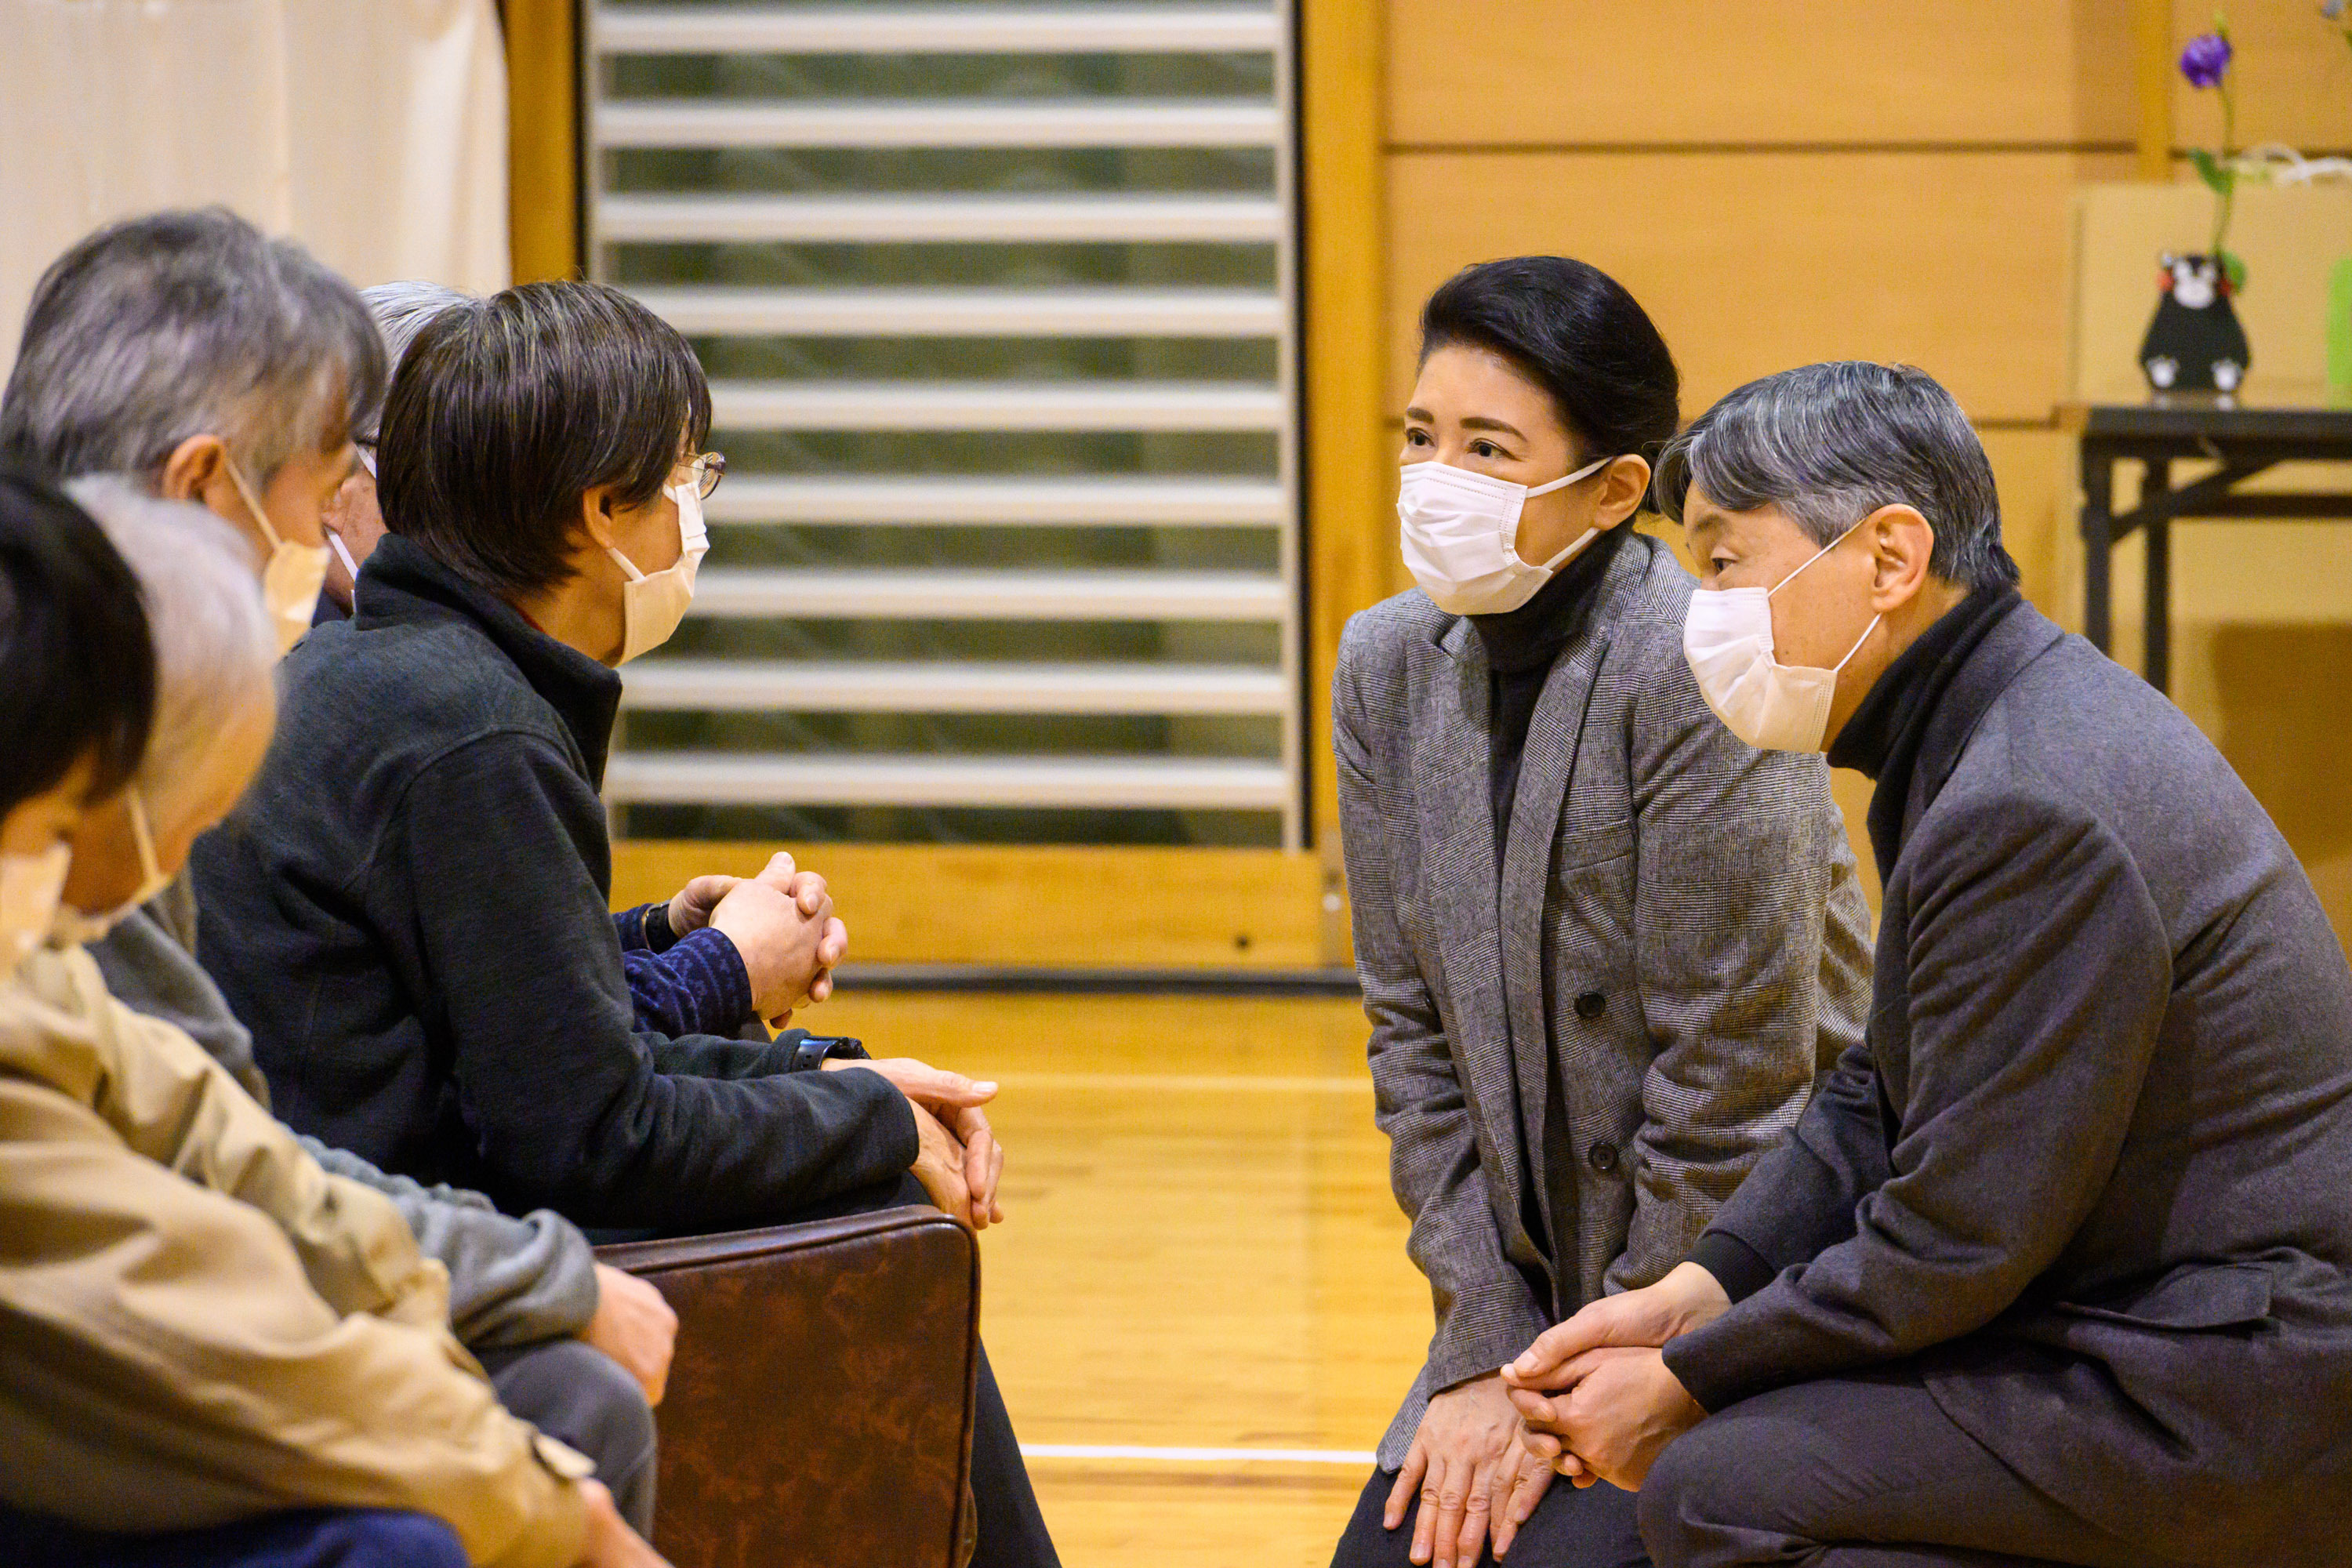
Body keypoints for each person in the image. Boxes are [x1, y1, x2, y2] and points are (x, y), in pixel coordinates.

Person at [193, 279, 1058, 1567]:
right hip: (369, 1255)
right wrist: (870, 1116)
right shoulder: (468, 731)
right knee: (876, 1190)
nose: (692, 517)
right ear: (600, 513)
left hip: (399, 1189)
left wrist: (836, 1070)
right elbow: (589, 1130)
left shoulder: (396, 676)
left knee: (853, 1134)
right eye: (683, 481)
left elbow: (554, 1042)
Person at [1500, 361, 2352, 1568]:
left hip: (2228, 1389)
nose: (1707, 611)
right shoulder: (1996, 727)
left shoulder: (2027, 801)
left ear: (1892, 559)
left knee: (1717, 1489)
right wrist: (1705, 1287)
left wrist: (1690, 1379)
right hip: (2167, 1327)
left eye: (1728, 562)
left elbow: (1955, 1241)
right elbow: (1880, 1092)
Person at [0, 211, 675, 1535]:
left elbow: (208, 1129)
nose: (342, 531)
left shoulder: (151, 701)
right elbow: (172, 1245)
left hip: (241, 1231)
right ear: (204, 486)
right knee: (500, 1451)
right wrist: (532, 1395)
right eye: (325, 488)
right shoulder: (120, 747)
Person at [1330, 257, 1872, 1568]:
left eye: (1488, 448)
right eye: (1421, 437)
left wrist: (1600, 1365)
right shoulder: (1383, 665)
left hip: (1742, 1278)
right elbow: (1411, 1046)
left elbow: (1739, 1082)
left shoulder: (1698, 661)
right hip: (1524, 1307)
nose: (1434, 478)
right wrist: (1474, 1354)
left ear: (1618, 487)